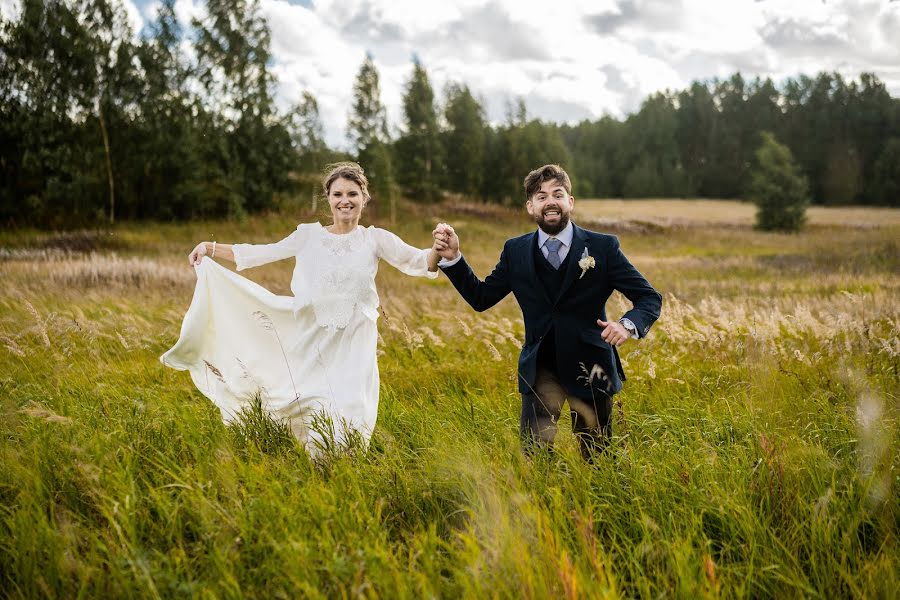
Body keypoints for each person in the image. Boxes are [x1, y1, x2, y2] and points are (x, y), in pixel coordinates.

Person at [161, 162, 440, 454]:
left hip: (355, 347)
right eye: (338, 194)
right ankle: (317, 465)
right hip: (313, 343)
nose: (345, 200)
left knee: (353, 409)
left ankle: (347, 468)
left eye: (352, 194)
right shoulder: (308, 236)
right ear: (328, 199)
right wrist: (210, 247)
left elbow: (420, 262)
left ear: (364, 197)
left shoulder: (375, 239)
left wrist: (439, 247)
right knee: (312, 406)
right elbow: (261, 253)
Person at [432, 164, 661, 460]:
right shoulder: (515, 250)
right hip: (538, 370)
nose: (550, 201)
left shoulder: (603, 247)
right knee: (536, 460)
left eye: (558, 193)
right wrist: (454, 259)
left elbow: (648, 298)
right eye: (541, 196)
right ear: (530, 207)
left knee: (598, 459)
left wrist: (627, 325)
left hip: (592, 367)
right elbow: (481, 297)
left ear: (570, 202)